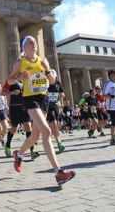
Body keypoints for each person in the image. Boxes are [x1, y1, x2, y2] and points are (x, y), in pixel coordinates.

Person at [8, 35, 75, 187]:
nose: (34, 46)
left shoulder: (43, 61)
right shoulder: (20, 62)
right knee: (46, 131)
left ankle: (19, 154)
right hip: (30, 99)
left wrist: (49, 74)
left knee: (36, 135)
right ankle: (59, 172)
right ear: (24, 47)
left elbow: (52, 81)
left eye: (35, 44)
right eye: (30, 44)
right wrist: (20, 76)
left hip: (43, 99)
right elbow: (10, 80)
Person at [4, 80, 39, 159]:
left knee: (28, 127)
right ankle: (7, 145)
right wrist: (12, 93)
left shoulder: (25, 80)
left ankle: (32, 151)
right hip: (14, 108)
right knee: (14, 129)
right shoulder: (10, 80)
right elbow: (3, 92)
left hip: (25, 107)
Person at [46, 80, 65, 152]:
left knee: (56, 125)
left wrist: (61, 101)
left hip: (56, 105)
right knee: (53, 123)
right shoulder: (45, 81)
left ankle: (55, 141)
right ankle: (58, 143)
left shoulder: (57, 83)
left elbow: (62, 93)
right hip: (47, 105)